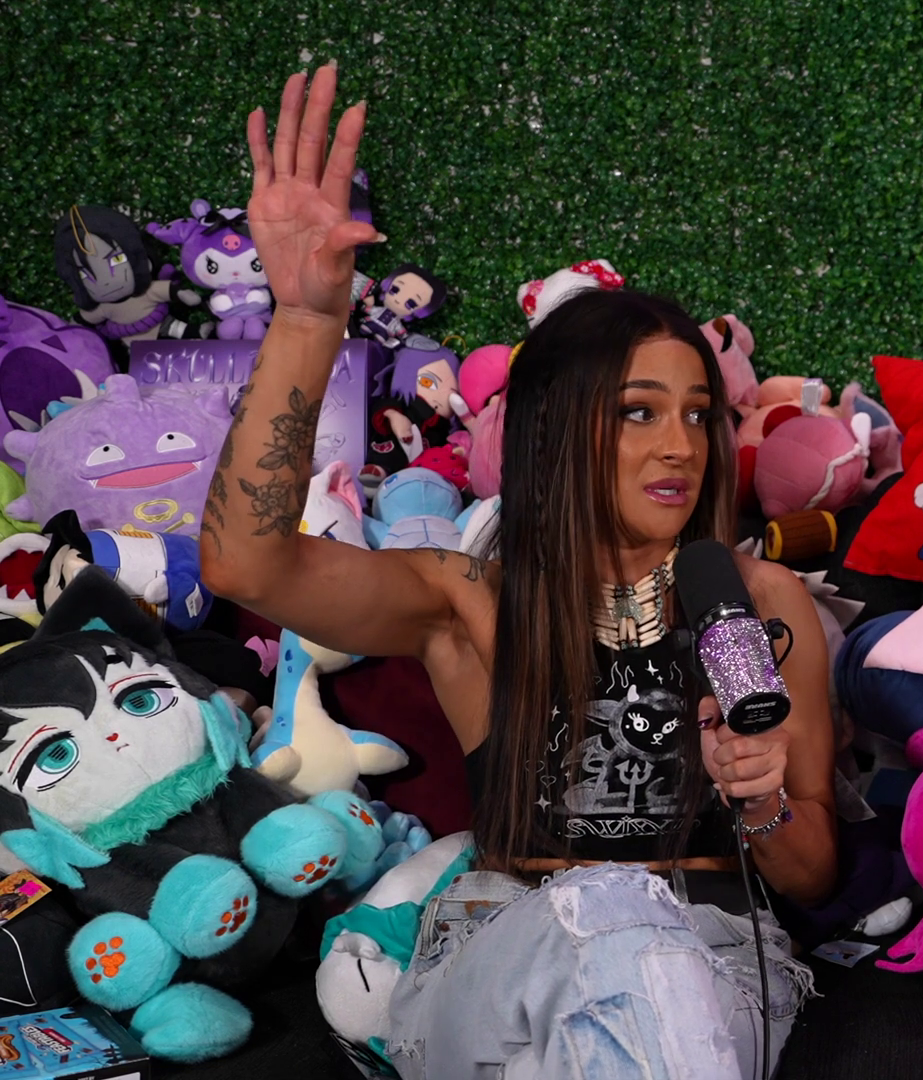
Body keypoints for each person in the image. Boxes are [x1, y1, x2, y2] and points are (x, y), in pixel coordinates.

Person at [198, 64, 837, 1080]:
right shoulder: (468, 599)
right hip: (503, 955)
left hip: (713, 967)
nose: (680, 444)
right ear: (552, 430)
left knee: (637, 976)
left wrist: (759, 799)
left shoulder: (762, 605)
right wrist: (309, 323)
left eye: (696, 413)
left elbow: (810, 877)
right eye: (638, 411)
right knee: (613, 917)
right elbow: (244, 563)